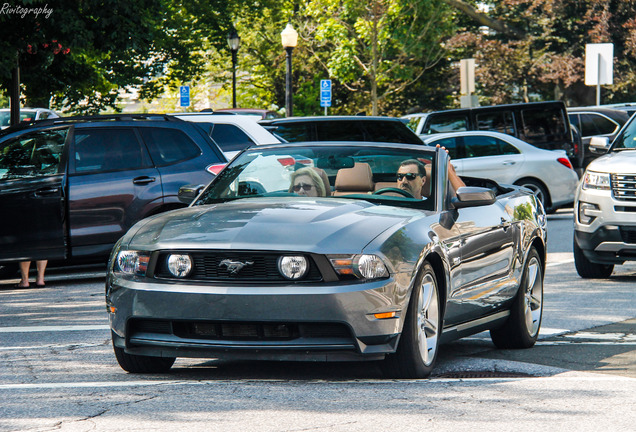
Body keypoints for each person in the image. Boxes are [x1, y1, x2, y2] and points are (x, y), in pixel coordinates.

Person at [397, 148, 466, 200]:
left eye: (410, 176)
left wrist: (447, 167)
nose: (404, 181)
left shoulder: (433, 207)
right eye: (400, 176)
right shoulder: (388, 202)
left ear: (423, 180)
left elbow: (464, 197)